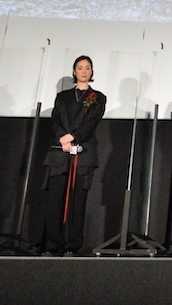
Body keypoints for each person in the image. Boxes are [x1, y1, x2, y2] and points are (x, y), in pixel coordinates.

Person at [42, 55, 107, 256]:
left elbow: (92, 122)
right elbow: (55, 120)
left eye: (88, 67)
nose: (84, 71)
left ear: (92, 72)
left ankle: (72, 245)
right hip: (59, 152)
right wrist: (63, 137)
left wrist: (74, 136)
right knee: (54, 200)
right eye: (80, 67)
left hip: (83, 153)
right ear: (74, 72)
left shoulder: (98, 97)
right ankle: (53, 245)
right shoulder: (63, 97)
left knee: (78, 202)